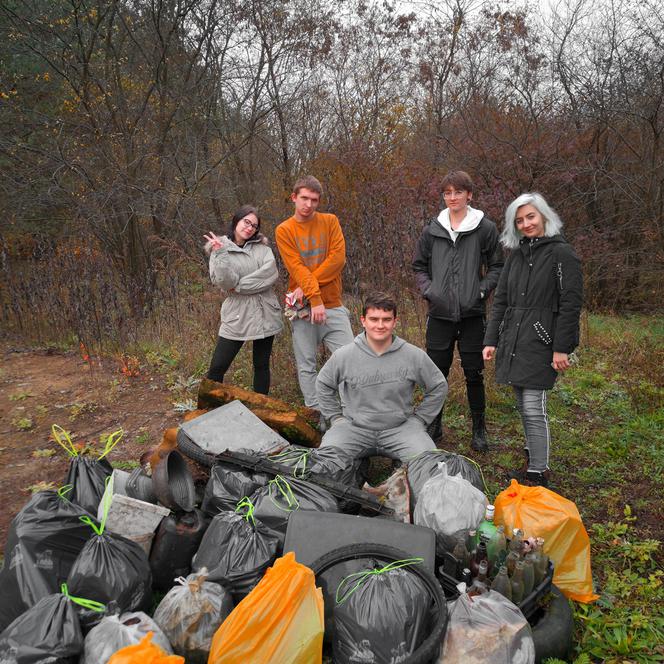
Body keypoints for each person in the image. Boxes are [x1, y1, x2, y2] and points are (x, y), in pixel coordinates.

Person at [483, 192, 583, 487]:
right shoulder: (515, 256)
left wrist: (561, 347)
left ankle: (539, 472)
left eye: (531, 217)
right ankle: (532, 455)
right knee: (521, 402)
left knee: (532, 406)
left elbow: (570, 303)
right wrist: (492, 339)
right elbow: (500, 300)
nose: (526, 224)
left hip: (542, 341)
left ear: (544, 216)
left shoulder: (562, 254)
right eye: (520, 220)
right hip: (515, 338)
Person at [412, 170, 504, 451]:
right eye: (448, 193)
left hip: (472, 314)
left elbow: (498, 266)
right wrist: (430, 290)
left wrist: (480, 290)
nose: (452, 197)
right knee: (436, 374)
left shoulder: (484, 228)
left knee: (473, 373)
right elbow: (419, 266)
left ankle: (479, 430)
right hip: (439, 315)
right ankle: (434, 424)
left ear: (469, 195)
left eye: (458, 192)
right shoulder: (433, 228)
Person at [316, 293, 448, 462]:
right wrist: (336, 418)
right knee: (325, 464)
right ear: (363, 321)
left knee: (429, 464)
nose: (380, 325)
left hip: (401, 429)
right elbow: (323, 384)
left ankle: (402, 473)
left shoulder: (413, 355)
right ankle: (357, 471)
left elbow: (438, 386)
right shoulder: (344, 355)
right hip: (353, 429)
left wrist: (419, 419)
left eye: (386, 319)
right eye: (374, 319)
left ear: (395, 321)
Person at [275, 175, 353, 413]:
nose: (308, 205)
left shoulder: (330, 222)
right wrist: (314, 299)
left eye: (314, 200)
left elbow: (337, 260)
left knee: (349, 359)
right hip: (303, 308)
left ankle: (350, 410)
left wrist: (309, 290)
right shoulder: (284, 230)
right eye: (304, 198)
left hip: (333, 304)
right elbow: (296, 267)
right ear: (294, 198)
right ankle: (316, 412)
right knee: (306, 363)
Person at [204, 205, 283, 394]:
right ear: (236, 220)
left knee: (261, 365)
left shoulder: (262, 248)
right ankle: (208, 408)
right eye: (246, 222)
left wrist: (238, 287)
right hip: (237, 314)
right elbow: (224, 282)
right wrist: (220, 253)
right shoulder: (219, 248)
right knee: (218, 366)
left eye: (254, 226)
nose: (249, 227)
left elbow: (269, 275)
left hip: (265, 312)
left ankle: (260, 408)